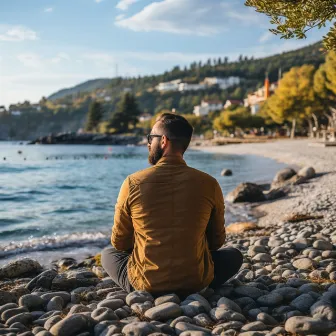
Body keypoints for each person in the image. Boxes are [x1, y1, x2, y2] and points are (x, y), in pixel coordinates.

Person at [101, 113, 243, 297]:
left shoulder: (133, 183)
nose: (148, 143)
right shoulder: (209, 183)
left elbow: (120, 242)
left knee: (108, 254)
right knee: (234, 255)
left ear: (163, 141)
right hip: (196, 281)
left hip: (146, 283)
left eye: (151, 138)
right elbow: (216, 242)